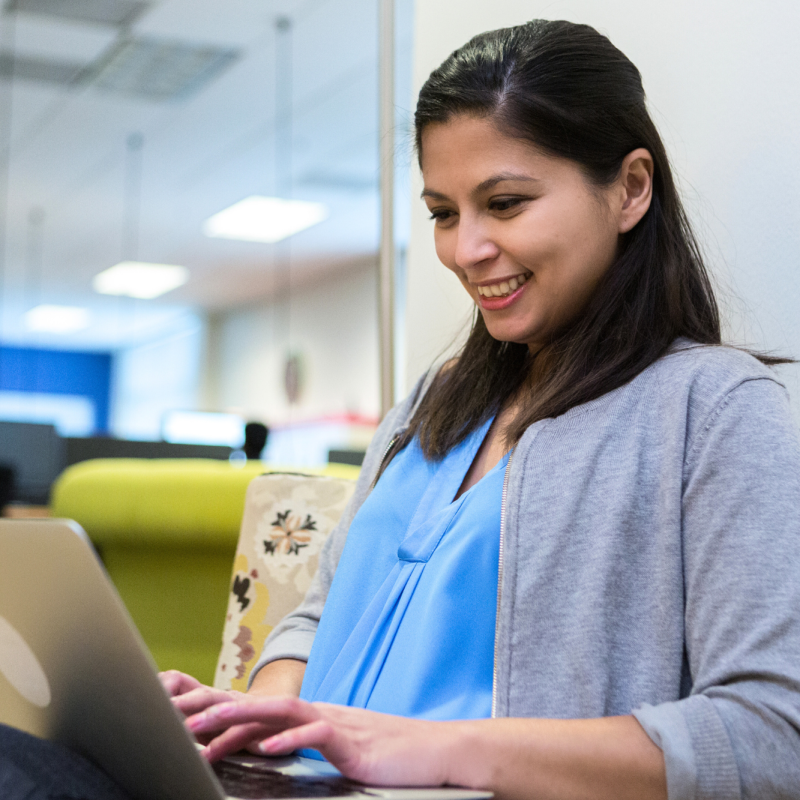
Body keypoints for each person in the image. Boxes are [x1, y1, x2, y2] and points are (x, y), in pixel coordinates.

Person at [164, 18, 800, 800]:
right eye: (442, 212)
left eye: (504, 203)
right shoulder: (437, 398)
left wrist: (429, 749)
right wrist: (259, 730)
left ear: (631, 188)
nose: (465, 250)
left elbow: (772, 734)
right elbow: (315, 622)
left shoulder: (713, 409)